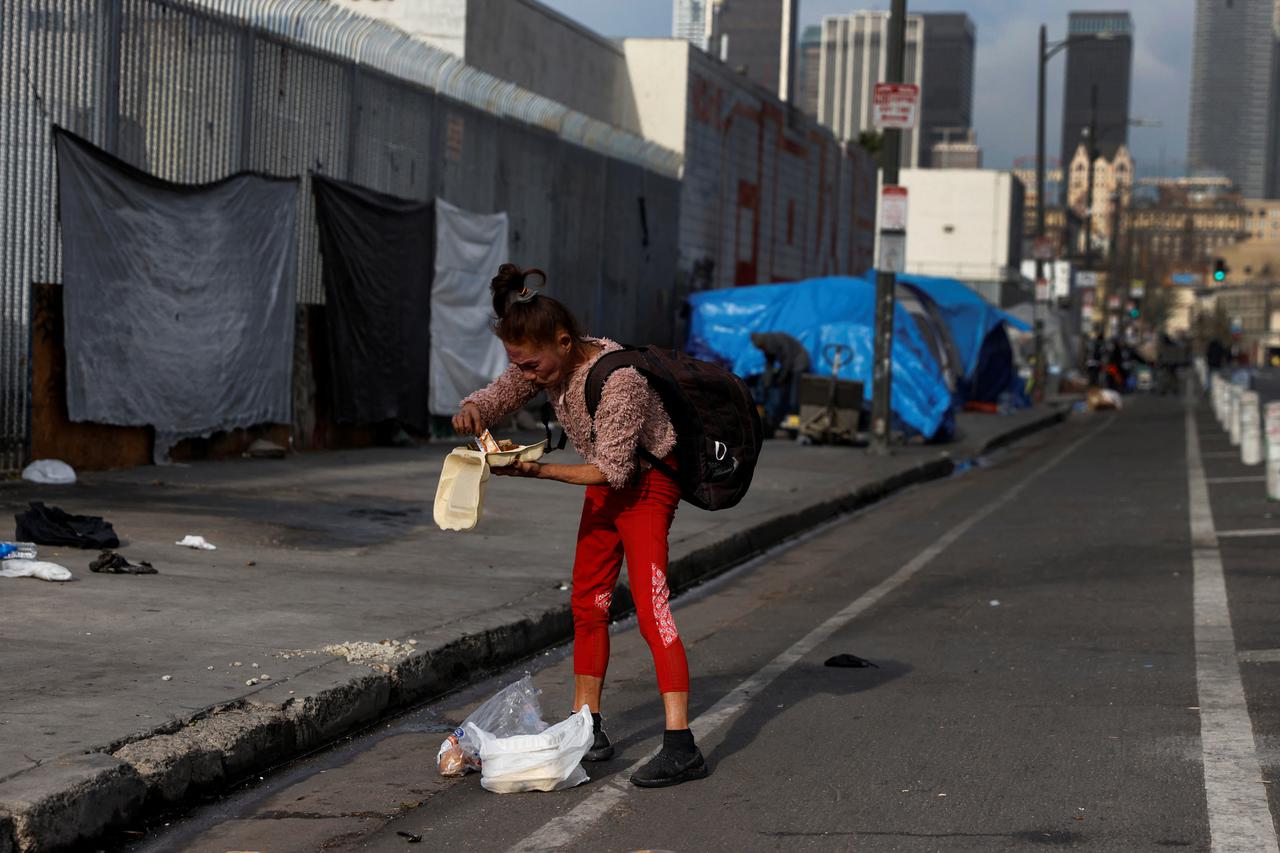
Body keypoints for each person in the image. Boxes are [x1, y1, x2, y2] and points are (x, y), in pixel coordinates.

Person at [452, 263, 708, 788]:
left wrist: (536, 469)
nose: (526, 376)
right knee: (587, 604)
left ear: (565, 343)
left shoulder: (621, 382)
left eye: (531, 365)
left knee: (651, 609)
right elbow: (503, 393)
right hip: (603, 484)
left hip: (644, 487)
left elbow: (614, 471)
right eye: (517, 364)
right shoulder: (543, 360)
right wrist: (475, 408)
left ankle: (681, 744)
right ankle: (587, 726)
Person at [750, 331, 809, 431]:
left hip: (799, 363)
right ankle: (778, 419)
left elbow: (788, 360)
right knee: (778, 389)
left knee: (794, 394)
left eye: (761, 348)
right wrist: (766, 384)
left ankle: (793, 423)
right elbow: (769, 366)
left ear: (762, 343)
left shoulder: (776, 341)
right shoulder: (767, 346)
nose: (762, 350)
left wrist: (782, 377)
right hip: (789, 365)